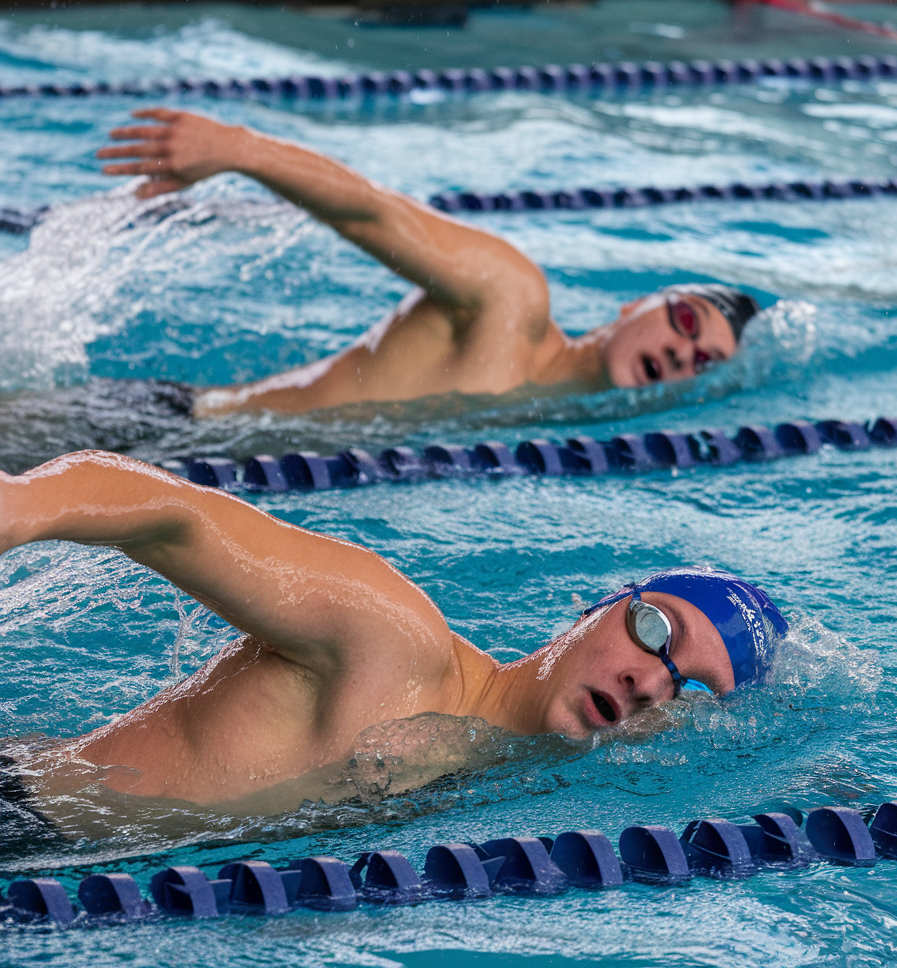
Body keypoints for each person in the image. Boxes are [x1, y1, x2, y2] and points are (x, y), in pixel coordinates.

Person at [0, 450, 787, 818]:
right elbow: (175, 513)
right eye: (657, 633)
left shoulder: (503, 783)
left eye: (689, 689)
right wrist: (22, 505)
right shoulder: (392, 638)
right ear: (595, 611)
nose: (652, 683)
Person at [96, 108, 763, 419]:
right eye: (683, 320)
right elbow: (374, 213)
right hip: (167, 425)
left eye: (704, 360)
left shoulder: (556, 421)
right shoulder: (512, 298)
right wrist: (238, 147)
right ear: (633, 305)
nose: (683, 354)